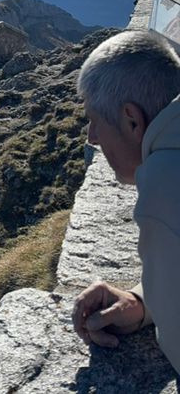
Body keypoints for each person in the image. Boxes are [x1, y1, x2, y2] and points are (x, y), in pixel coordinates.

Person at [73, 29, 180, 368]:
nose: (91, 138)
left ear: (132, 120)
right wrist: (144, 299)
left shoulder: (165, 183)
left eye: (94, 122)